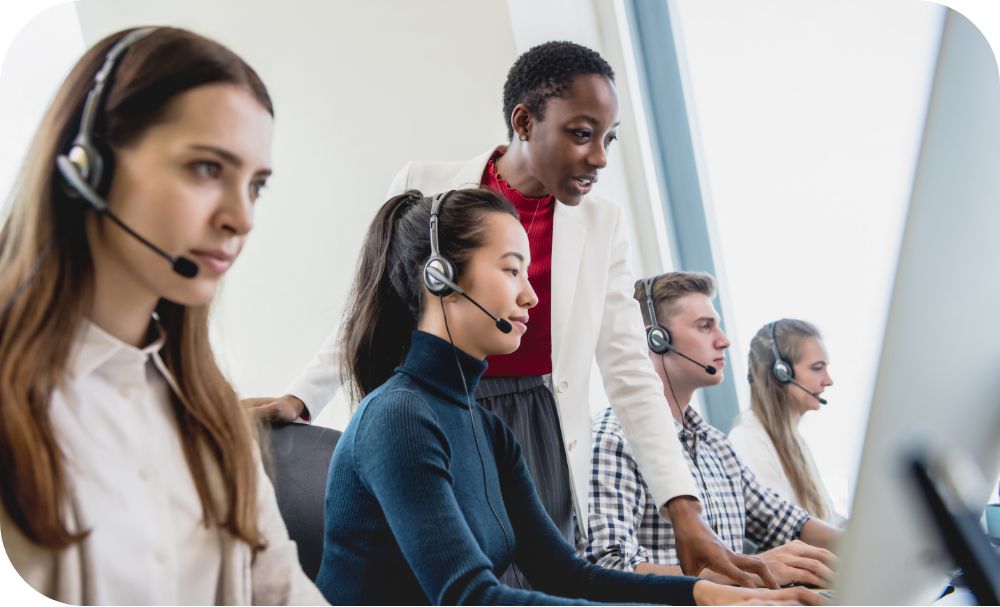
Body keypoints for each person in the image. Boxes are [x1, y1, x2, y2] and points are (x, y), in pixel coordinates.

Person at [251, 40, 775, 586]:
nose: (599, 156)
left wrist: (684, 515)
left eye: (608, 138)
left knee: (546, 577)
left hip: (531, 423)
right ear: (524, 122)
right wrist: (302, 397)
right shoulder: (427, 189)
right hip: (439, 402)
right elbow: (370, 302)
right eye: (581, 133)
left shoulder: (601, 224)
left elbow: (628, 370)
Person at [314, 189, 820, 606]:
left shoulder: (487, 429)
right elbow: (471, 599)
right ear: (440, 276)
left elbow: (569, 576)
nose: (530, 294)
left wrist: (706, 595)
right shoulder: (398, 417)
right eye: (512, 270)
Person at [0, 27, 324, 604]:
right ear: (87, 163)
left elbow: (280, 590)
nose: (242, 218)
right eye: (207, 169)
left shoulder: (207, 406)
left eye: (256, 185)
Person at [587, 272, 841, 588]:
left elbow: (788, 521)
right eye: (705, 326)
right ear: (655, 340)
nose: (724, 340)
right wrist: (744, 573)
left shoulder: (716, 446)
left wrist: (868, 544)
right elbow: (607, 570)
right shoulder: (612, 441)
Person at [729, 320, 846, 526]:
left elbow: (827, 519)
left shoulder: (794, 440)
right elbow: (783, 528)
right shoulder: (749, 440)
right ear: (781, 372)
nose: (828, 380)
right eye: (817, 368)